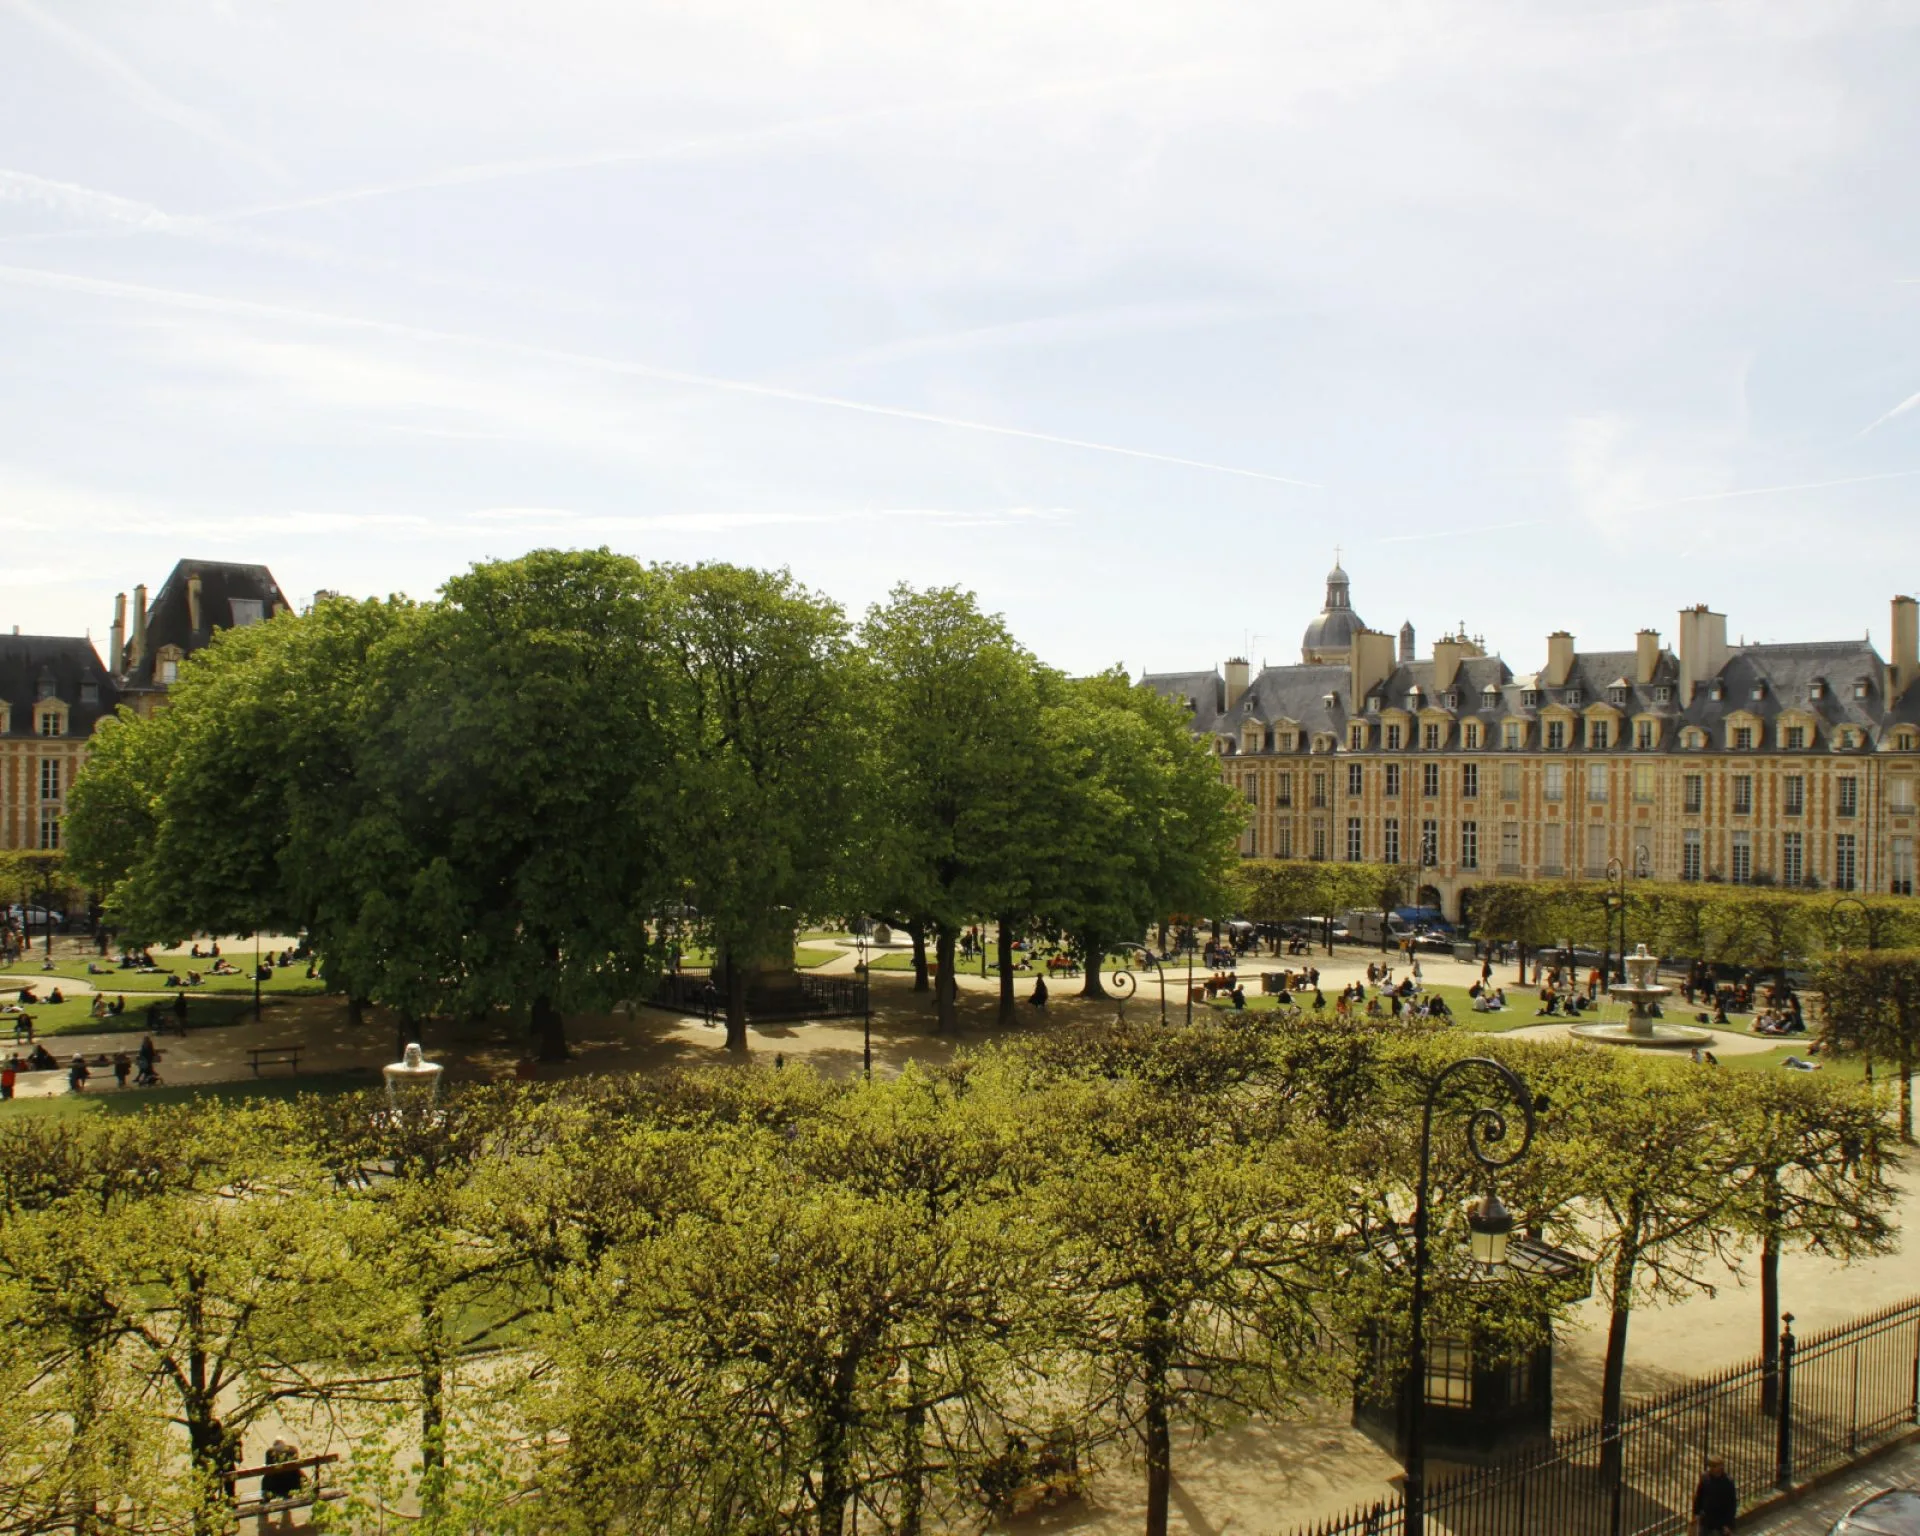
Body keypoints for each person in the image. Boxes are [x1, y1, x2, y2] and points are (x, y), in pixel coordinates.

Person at [1691, 1455, 1736, 1535]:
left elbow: (1732, 1504)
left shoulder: (1728, 1482)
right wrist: (1695, 1514)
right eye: (1714, 1466)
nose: (1718, 1469)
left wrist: (1728, 1524)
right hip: (1706, 1520)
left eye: (1720, 1466)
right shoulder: (1705, 1478)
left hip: (1721, 1522)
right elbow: (1699, 1497)